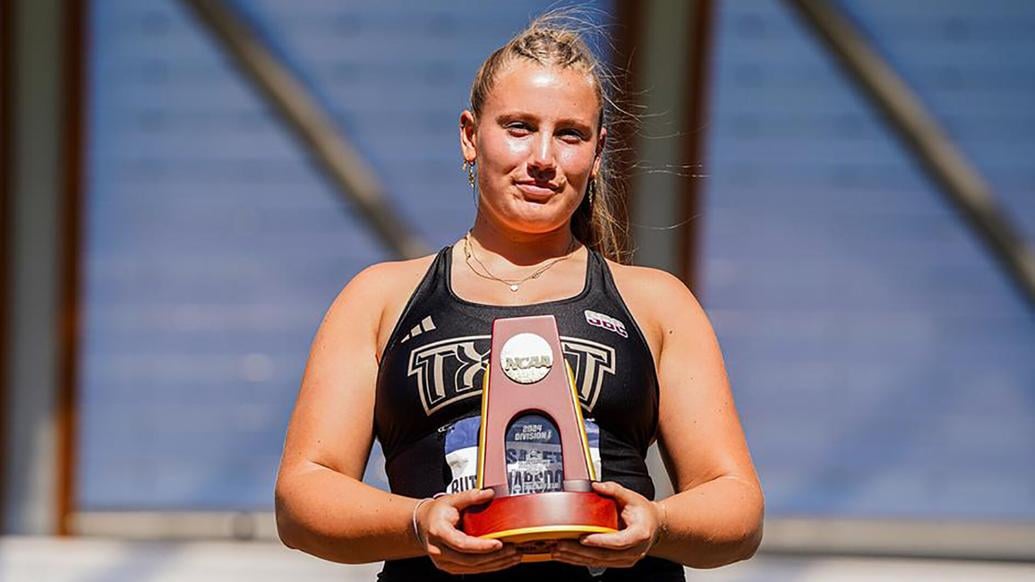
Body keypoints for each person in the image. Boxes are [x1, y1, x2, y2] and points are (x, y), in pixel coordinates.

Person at [274, 13, 763, 581]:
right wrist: (417, 522)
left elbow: (737, 506)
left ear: (598, 152)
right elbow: (302, 496)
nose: (543, 158)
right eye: (519, 127)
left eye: (570, 134)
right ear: (469, 136)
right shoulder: (380, 298)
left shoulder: (657, 303)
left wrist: (657, 524)